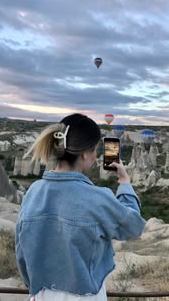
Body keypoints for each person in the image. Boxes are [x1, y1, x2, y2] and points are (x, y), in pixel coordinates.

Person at [15, 113, 146, 301]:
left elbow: (21, 249)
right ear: (85, 153)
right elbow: (133, 226)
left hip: (42, 294)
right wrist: (125, 183)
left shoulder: (34, 192)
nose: (96, 155)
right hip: (84, 296)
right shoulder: (97, 197)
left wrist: (33, 285)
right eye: (95, 150)